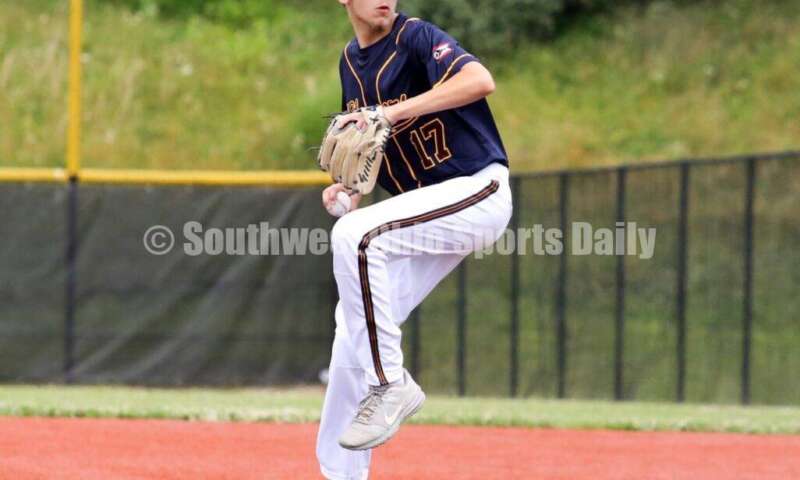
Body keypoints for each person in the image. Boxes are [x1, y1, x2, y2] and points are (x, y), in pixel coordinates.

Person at [316, 1, 512, 478]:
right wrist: (349, 190)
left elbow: (479, 81)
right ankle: (343, 475)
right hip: (428, 214)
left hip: (476, 190)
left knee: (356, 240)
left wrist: (392, 111)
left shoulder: (416, 36)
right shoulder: (349, 64)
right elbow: (372, 151)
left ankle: (390, 383)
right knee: (351, 330)